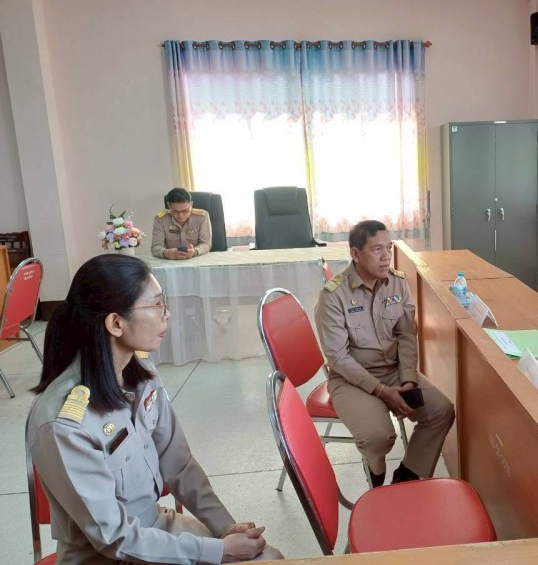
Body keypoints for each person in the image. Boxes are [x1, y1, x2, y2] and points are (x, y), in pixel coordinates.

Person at [26, 254, 283, 563]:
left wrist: (224, 527)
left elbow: (179, 464)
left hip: (156, 529)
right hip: (107, 556)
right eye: (157, 305)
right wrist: (219, 551)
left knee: (266, 557)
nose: (167, 314)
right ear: (116, 323)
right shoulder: (64, 422)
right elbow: (115, 538)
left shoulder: (141, 375)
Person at [315, 220, 455, 487]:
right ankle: (375, 475)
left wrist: (409, 380)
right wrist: (381, 391)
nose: (386, 256)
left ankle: (406, 476)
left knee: (441, 410)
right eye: (377, 249)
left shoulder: (397, 283)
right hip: (351, 379)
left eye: (388, 248)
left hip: (393, 371)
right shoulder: (333, 296)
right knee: (379, 437)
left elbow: (406, 336)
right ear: (355, 254)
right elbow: (338, 358)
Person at [151, 187, 212, 259]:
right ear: (169, 206)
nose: (181, 215)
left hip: (197, 259)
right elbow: (156, 247)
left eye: (185, 211)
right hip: (171, 261)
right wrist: (165, 253)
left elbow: (206, 243)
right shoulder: (161, 219)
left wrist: (195, 251)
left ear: (191, 205)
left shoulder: (202, 216)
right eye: (175, 211)